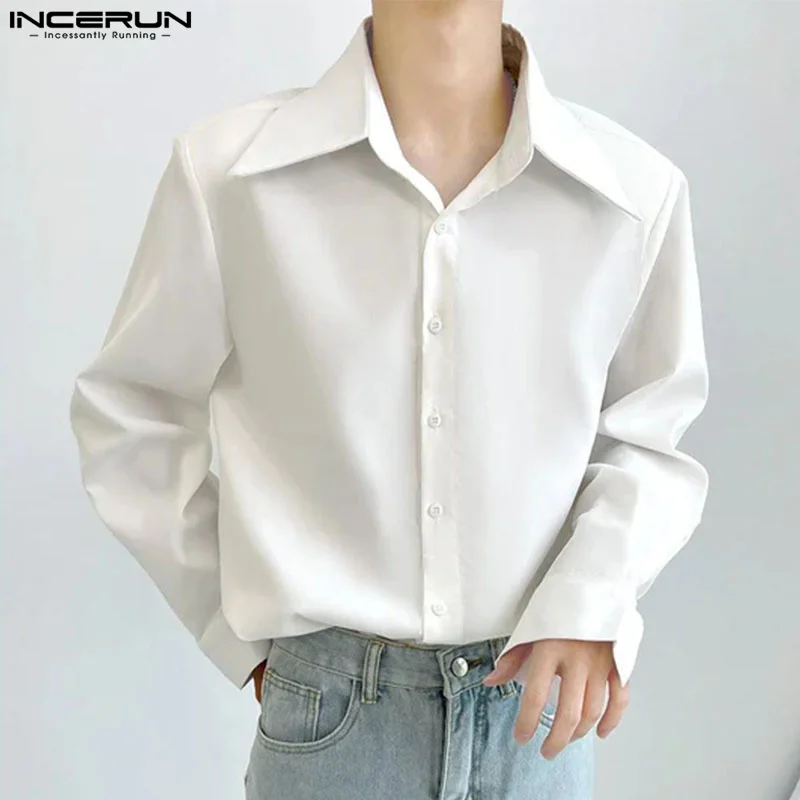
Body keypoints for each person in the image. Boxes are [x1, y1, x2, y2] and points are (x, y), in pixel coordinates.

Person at [69, 2, 710, 798]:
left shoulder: (632, 194)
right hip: (331, 722)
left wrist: (592, 597)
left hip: (536, 717)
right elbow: (132, 415)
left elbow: (649, 436)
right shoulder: (231, 175)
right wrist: (240, 628)